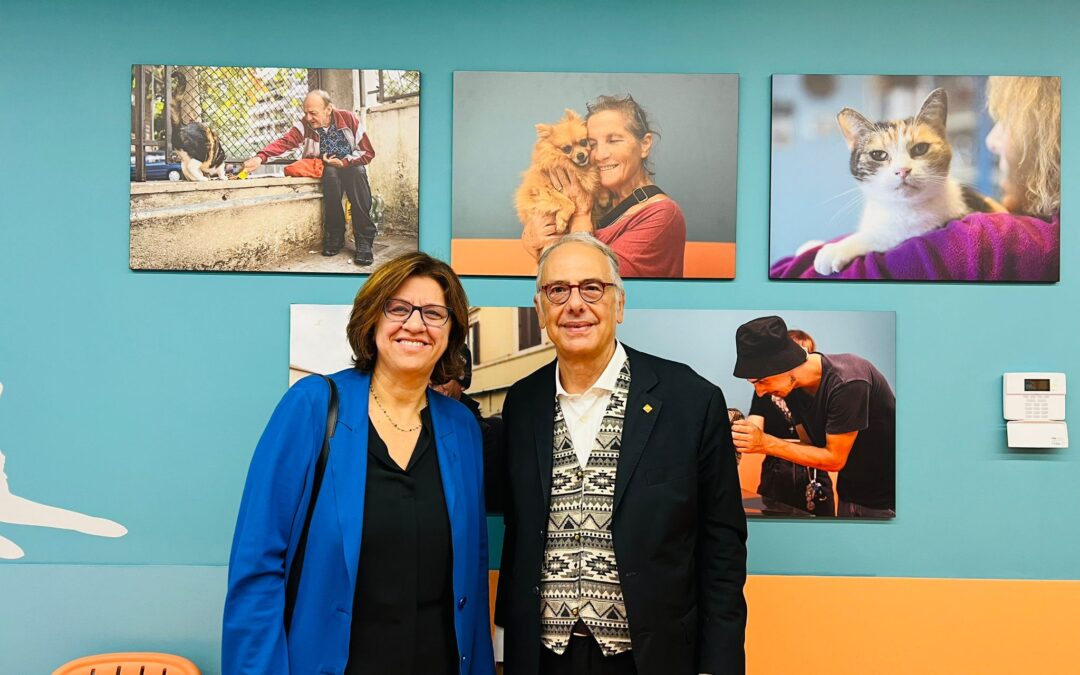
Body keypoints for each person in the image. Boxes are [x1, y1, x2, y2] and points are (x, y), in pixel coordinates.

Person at [222, 252, 495, 675]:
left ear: (451, 332)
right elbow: (258, 566)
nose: (416, 324)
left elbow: (473, 577)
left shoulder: (462, 428)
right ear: (372, 319)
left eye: (434, 313)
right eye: (398, 308)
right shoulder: (313, 406)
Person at [496, 233, 746, 675]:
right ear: (540, 309)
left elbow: (722, 543)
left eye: (592, 287)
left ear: (620, 304)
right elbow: (518, 532)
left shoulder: (690, 400)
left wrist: (720, 661)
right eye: (558, 290)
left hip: (652, 657)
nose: (575, 304)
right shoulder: (522, 403)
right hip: (544, 656)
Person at [770, 76, 1060, 281]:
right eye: (880, 156)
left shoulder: (972, 234)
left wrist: (833, 250)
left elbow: (790, 273)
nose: (902, 168)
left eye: (919, 149)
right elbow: (885, 239)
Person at [731, 316, 895, 518]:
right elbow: (812, 447)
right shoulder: (793, 389)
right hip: (849, 494)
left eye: (762, 381)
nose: (759, 393)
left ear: (785, 365)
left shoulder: (848, 382)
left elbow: (834, 459)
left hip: (886, 500)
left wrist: (764, 443)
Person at [521, 95, 687, 278]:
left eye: (614, 140)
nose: (600, 155)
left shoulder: (662, 215)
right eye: (591, 144)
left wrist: (580, 214)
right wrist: (534, 241)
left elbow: (586, 282)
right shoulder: (600, 200)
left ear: (645, 145)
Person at [242, 89, 379, 266]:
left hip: (350, 164)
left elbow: (368, 152)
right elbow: (286, 142)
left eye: (313, 113)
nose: (308, 118)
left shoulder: (348, 119)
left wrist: (344, 162)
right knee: (330, 175)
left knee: (358, 173)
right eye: (306, 113)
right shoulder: (305, 125)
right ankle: (335, 235)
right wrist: (261, 157)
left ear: (328, 109)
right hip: (326, 167)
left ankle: (364, 240)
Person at [746, 329, 835, 517]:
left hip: (815, 471)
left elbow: (826, 446)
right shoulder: (764, 389)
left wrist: (766, 441)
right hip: (776, 470)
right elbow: (753, 429)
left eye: (806, 355)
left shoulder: (821, 392)